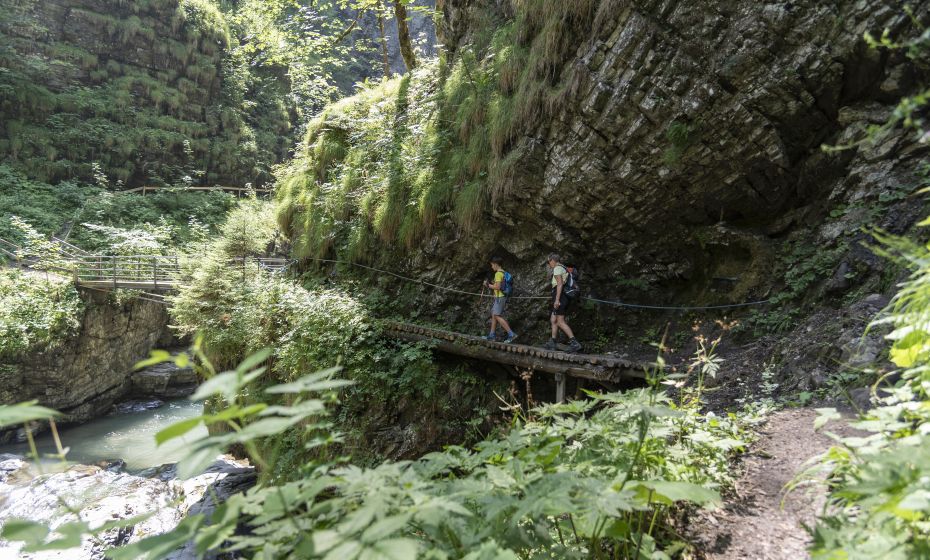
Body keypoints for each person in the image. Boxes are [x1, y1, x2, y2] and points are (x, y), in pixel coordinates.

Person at [544, 253, 582, 352]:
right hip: (561, 296)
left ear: (552, 260)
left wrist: (557, 300)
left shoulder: (557, 268)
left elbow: (560, 284)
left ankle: (575, 343)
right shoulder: (563, 267)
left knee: (560, 321)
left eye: (549, 262)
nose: (549, 264)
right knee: (553, 319)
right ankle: (552, 341)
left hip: (560, 296)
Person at [484, 256, 517, 343]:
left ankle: (511, 334)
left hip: (500, 297)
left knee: (497, 315)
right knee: (494, 315)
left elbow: (498, 287)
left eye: (492, 265)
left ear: (495, 264)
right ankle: (491, 335)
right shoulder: (503, 272)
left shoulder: (498, 274)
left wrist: (488, 285)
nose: (492, 267)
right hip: (500, 296)